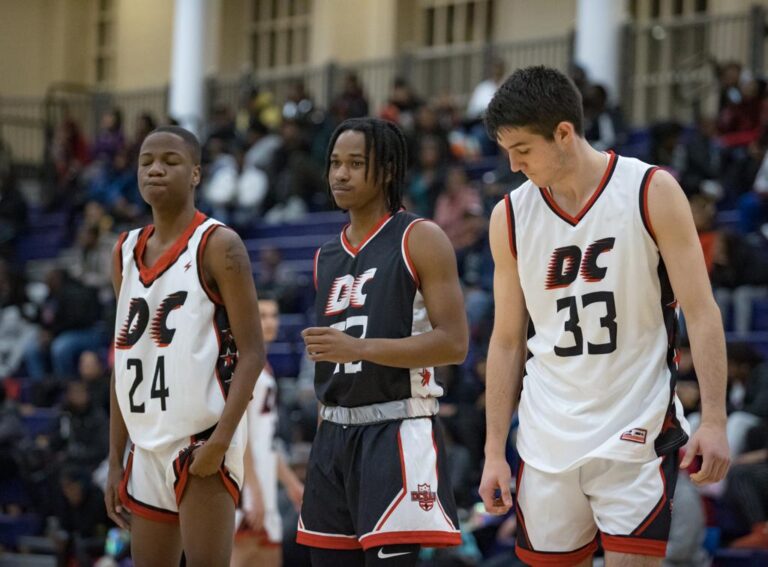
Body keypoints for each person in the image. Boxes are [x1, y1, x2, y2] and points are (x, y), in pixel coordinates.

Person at [478, 67, 730, 566]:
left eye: (523, 149)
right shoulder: (508, 216)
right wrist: (492, 452)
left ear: (564, 134)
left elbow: (701, 313)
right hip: (546, 434)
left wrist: (716, 419)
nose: (513, 164)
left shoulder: (650, 190)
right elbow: (506, 341)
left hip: (635, 427)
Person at [297, 117, 469, 566]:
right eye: (335, 163)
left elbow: (454, 343)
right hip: (333, 434)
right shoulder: (326, 256)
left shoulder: (421, 238)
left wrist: (360, 348)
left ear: (389, 169)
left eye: (356, 163)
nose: (340, 174)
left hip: (395, 430)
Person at [104, 125, 266, 567]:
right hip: (145, 446)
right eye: (146, 161)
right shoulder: (123, 252)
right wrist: (115, 457)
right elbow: (123, 361)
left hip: (201, 441)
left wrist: (221, 442)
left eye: (170, 162)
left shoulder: (219, 244)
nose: (155, 169)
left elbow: (253, 354)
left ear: (195, 174)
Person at [233, 297, 305, 567]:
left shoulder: (265, 368)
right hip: (247, 488)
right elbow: (239, 436)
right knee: (242, 556)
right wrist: (254, 490)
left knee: (270, 558)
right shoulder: (243, 365)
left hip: (264, 486)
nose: (270, 322)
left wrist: (290, 483)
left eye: (274, 315)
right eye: (262, 315)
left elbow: (266, 440)